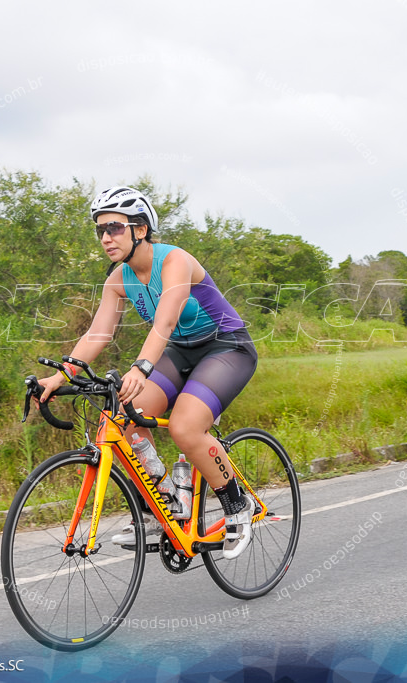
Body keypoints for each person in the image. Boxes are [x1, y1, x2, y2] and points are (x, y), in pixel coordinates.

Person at [36, 186, 258, 559]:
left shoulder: (175, 261)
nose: (106, 238)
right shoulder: (118, 279)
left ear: (140, 229)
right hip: (180, 352)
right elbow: (98, 334)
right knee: (123, 419)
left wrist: (141, 366)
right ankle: (164, 504)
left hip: (226, 346)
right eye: (100, 230)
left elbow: (167, 318)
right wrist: (60, 376)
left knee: (186, 427)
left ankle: (238, 504)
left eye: (115, 228)